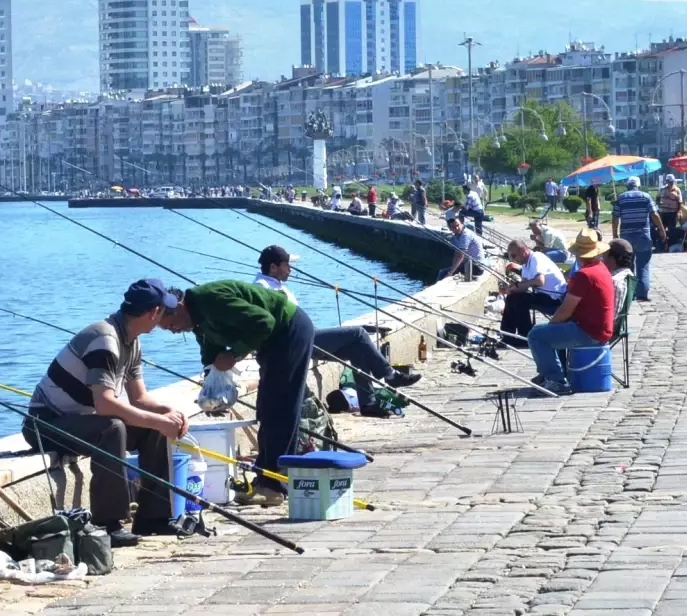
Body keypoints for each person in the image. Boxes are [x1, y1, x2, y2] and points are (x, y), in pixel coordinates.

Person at [23, 279, 190, 547]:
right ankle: (108, 523)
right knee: (112, 427)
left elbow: (139, 398)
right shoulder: (105, 339)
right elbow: (105, 405)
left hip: (79, 420)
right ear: (152, 312)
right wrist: (159, 420)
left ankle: (153, 517)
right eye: (163, 310)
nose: (166, 317)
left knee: (153, 428)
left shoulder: (131, 341)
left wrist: (168, 413)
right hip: (44, 424)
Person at [158, 280, 314, 506]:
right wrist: (213, 395)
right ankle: (266, 479)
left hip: (288, 330)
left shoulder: (211, 300)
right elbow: (211, 352)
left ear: (180, 306)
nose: (173, 331)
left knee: (281, 409)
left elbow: (264, 321)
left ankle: (274, 485)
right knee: (266, 409)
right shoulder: (197, 320)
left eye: (170, 324)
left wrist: (236, 354)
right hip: (270, 342)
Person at [253, 246, 413, 418]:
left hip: (306, 337)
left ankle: (369, 403)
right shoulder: (263, 288)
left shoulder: (277, 285)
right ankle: (389, 375)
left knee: (357, 348)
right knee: (358, 333)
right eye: (286, 265)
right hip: (297, 343)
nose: (291, 269)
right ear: (273, 267)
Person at [526, 229, 615, 396]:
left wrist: (552, 324)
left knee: (536, 335)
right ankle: (550, 374)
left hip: (589, 331)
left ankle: (556, 380)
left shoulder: (583, 275)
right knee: (549, 332)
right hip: (602, 328)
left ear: (578, 254)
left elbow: (566, 309)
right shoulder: (601, 268)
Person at [498, 238, 569, 346]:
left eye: (513, 256)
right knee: (512, 297)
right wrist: (509, 289)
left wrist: (518, 286)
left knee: (519, 300)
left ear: (523, 251)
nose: (513, 260)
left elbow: (540, 281)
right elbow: (524, 286)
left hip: (554, 298)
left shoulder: (536, 258)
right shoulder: (526, 264)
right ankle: (508, 336)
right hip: (543, 294)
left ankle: (525, 337)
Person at [611, 176, 667, 302]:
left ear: (627, 185)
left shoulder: (621, 198)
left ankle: (630, 294)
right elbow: (655, 214)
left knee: (628, 266)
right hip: (643, 236)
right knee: (643, 266)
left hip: (626, 237)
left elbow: (615, 218)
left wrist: (615, 235)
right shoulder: (646, 196)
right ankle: (643, 294)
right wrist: (662, 230)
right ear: (639, 185)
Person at [437, 215, 484, 282]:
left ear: (462, 224)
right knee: (445, 270)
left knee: (443, 273)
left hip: (476, 267)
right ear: (450, 228)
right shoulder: (457, 235)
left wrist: (450, 273)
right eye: (453, 227)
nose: (456, 228)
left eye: (457, 225)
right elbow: (456, 253)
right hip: (467, 263)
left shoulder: (465, 235)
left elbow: (460, 256)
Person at [603, 238, 637, 316]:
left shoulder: (614, 281)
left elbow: (613, 316)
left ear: (613, 258)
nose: (602, 259)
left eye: (605, 255)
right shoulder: (629, 274)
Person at [658, 175, 683, 248]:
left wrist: (678, 212)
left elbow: (680, 202)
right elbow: (657, 198)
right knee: (662, 229)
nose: (671, 183)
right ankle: (662, 245)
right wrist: (659, 203)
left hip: (672, 213)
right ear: (666, 181)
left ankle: (671, 245)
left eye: (672, 182)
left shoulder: (677, 190)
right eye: (669, 182)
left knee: (672, 230)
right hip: (663, 212)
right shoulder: (662, 189)